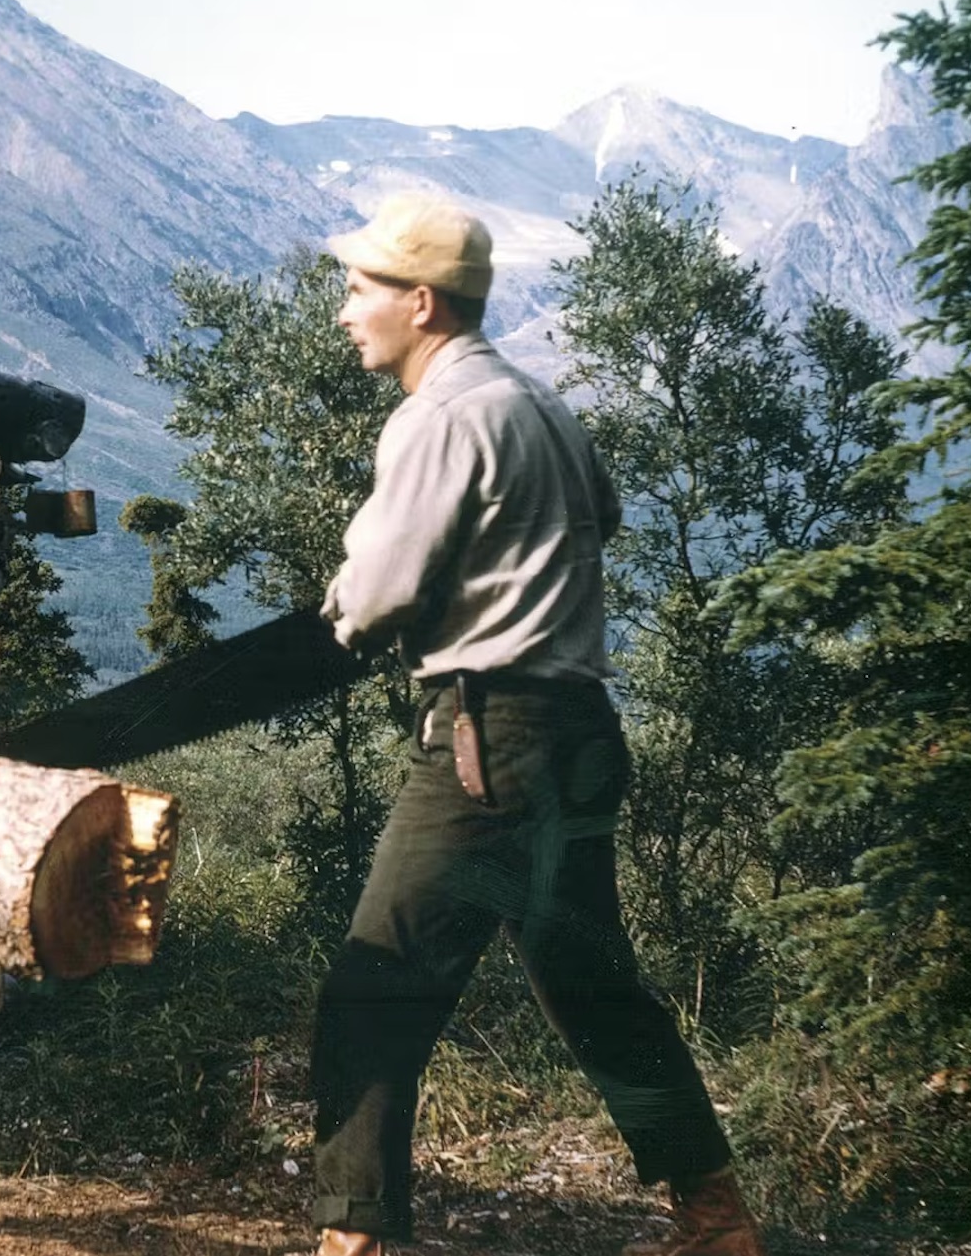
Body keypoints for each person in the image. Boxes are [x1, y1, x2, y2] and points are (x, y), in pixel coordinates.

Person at [308, 193, 764, 1256]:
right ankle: (717, 1222)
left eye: (359, 290)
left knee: (373, 989)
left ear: (420, 303)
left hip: (487, 741)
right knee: (594, 988)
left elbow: (373, 597)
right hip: (578, 732)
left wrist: (344, 615)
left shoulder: (439, 415)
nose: (344, 310)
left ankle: (351, 1239)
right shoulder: (538, 402)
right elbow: (601, 516)